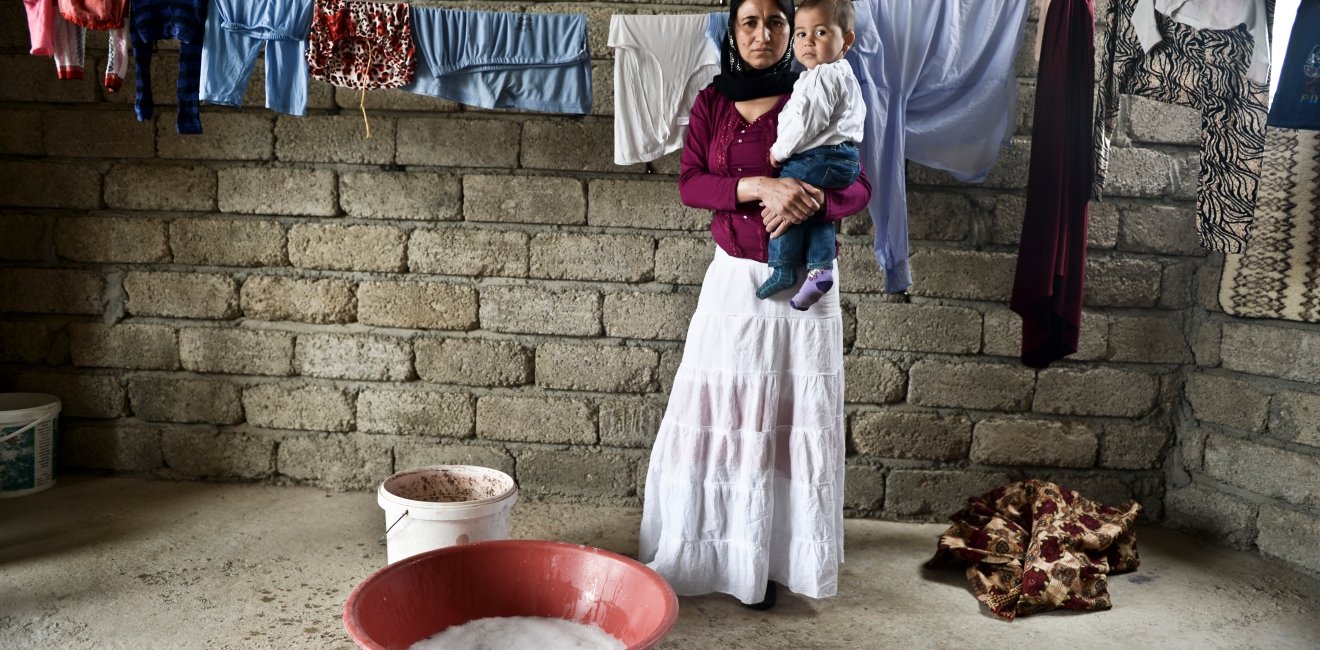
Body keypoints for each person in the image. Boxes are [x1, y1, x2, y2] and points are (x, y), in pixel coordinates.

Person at [637, 0, 872, 611]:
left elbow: (860, 183)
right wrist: (760, 186)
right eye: (750, 22)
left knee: (787, 421)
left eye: (775, 22)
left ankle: (770, 560)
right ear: (734, 32)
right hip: (733, 285)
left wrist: (812, 199)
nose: (764, 34)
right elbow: (691, 182)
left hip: (800, 289)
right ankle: (715, 551)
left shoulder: (818, 84)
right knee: (726, 413)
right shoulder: (713, 101)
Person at [760, 0, 865, 310]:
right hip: (842, 158)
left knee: (786, 194)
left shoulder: (823, 76)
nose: (808, 42)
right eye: (801, 34)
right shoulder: (841, 74)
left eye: (820, 32)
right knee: (812, 209)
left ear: (846, 40)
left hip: (820, 156)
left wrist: (779, 151)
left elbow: (807, 123)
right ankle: (820, 269)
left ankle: (782, 267)